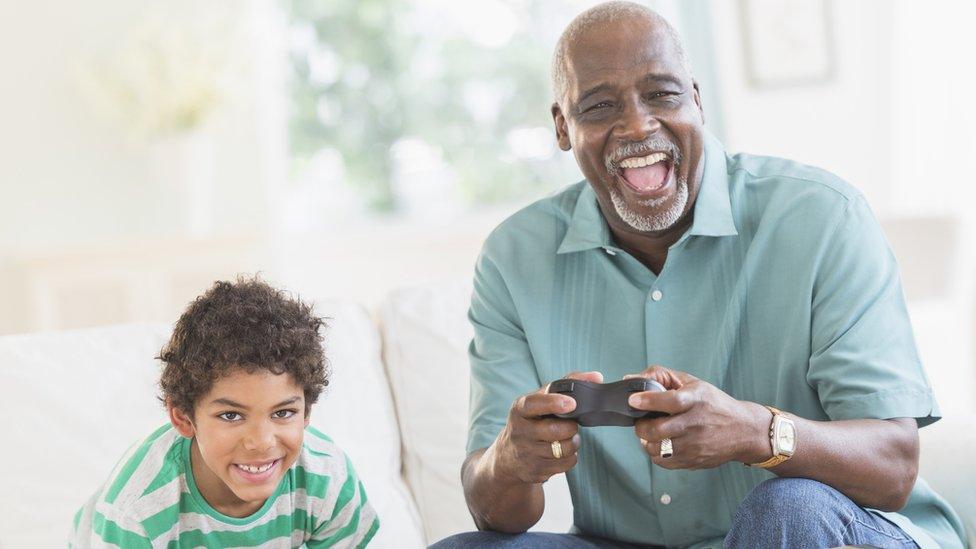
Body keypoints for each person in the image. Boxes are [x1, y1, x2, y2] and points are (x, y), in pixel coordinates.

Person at [436, 2, 967, 548]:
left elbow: (895, 465)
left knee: (788, 510)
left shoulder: (821, 216)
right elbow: (494, 511)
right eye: (599, 105)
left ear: (697, 99)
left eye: (662, 94)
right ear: (562, 127)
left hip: (824, 529)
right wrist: (510, 460)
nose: (638, 125)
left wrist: (753, 432)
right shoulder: (513, 257)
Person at [70, 277, 379, 548]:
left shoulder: (328, 478)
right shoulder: (136, 512)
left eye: (283, 413)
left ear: (307, 412)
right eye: (231, 416)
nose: (260, 442)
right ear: (183, 418)